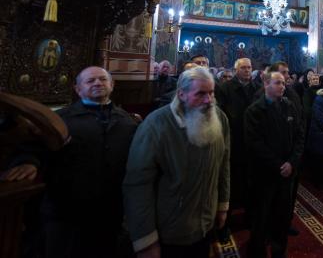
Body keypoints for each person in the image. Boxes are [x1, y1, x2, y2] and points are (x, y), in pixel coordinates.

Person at [2, 67, 139, 258]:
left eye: (102, 79)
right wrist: (29, 162)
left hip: (110, 210)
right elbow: (33, 147)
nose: (98, 83)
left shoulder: (128, 122)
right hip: (67, 211)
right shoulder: (59, 119)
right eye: (90, 81)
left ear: (112, 85)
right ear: (77, 89)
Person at [123, 67, 230, 258]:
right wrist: (145, 239)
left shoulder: (219, 118)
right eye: (201, 94)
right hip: (170, 230)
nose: (209, 100)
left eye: (212, 93)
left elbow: (223, 164)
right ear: (181, 94)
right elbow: (138, 185)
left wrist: (222, 205)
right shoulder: (156, 124)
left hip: (206, 222)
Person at [244, 71, 305, 258]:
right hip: (265, 174)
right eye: (278, 83)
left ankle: (279, 251)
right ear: (266, 84)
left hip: (287, 174)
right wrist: (280, 165)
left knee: (282, 217)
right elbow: (254, 144)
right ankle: (257, 250)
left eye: (284, 83)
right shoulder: (254, 111)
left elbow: (299, 136)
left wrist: (292, 162)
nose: (283, 86)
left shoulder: (289, 106)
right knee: (261, 218)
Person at [215, 58, 259, 240]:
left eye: (249, 67)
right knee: (230, 185)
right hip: (234, 142)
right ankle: (225, 225)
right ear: (235, 70)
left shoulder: (257, 88)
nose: (247, 70)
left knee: (251, 184)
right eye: (243, 67)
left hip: (253, 144)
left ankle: (250, 217)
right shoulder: (225, 88)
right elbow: (221, 116)